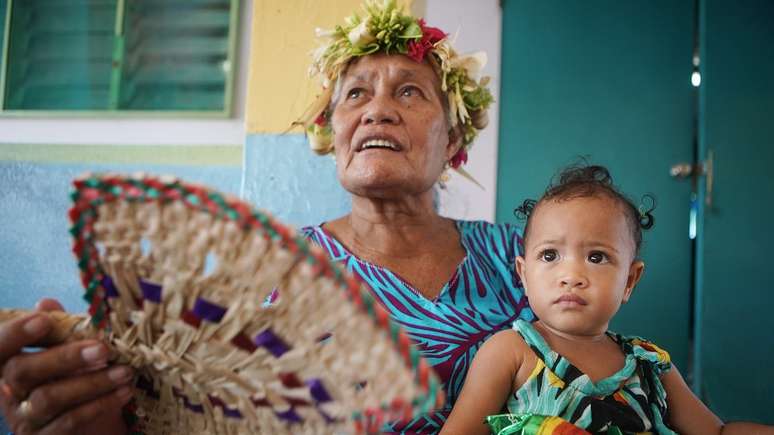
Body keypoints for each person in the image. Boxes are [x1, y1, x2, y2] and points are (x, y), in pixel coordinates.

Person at [0, 1, 533, 433]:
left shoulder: (526, 258)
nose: (377, 110)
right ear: (334, 132)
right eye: (355, 94)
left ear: (455, 139)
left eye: (409, 91)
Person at [440, 165, 774, 435]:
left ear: (629, 280)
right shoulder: (511, 351)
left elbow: (716, 432)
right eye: (550, 255)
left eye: (597, 257)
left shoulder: (650, 365)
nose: (571, 275)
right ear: (524, 275)